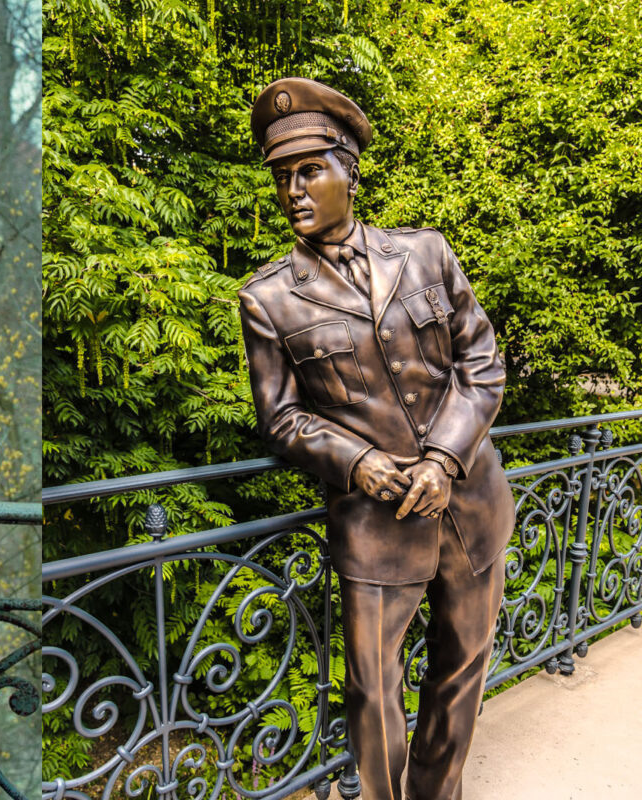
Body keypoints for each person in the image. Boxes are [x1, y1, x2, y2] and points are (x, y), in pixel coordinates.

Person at [237, 77, 515, 800]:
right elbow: (282, 416)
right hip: (374, 520)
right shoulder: (267, 299)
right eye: (282, 177)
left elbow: (481, 364)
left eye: (309, 171)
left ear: (348, 174)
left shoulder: (426, 253)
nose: (293, 190)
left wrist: (445, 458)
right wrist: (357, 462)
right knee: (371, 689)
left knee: (462, 667)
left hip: (471, 501)